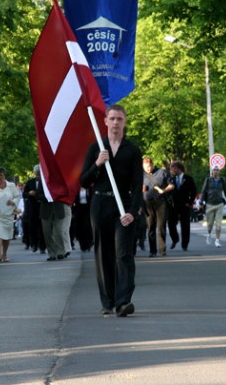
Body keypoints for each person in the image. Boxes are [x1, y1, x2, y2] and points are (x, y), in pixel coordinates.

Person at [80, 104, 143, 317]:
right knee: (104, 253)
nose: (116, 122)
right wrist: (97, 163)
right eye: (112, 118)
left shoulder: (132, 150)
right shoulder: (95, 148)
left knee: (124, 254)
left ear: (125, 122)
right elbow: (83, 181)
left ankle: (123, 301)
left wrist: (133, 211)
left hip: (123, 206)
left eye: (120, 119)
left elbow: (137, 185)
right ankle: (107, 301)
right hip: (100, 205)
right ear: (105, 121)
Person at [142, 157, 174, 258]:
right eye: (146, 167)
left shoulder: (162, 172)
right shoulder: (140, 175)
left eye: (150, 166)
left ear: (153, 164)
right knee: (150, 227)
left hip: (161, 202)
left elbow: (172, 185)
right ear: (143, 166)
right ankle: (152, 251)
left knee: (161, 226)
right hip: (147, 203)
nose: (148, 168)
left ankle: (162, 250)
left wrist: (164, 190)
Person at [200, 166, 226, 248]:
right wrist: (201, 202)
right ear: (212, 171)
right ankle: (209, 234)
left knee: (219, 224)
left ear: (219, 172)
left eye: (217, 170)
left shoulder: (222, 180)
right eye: (214, 170)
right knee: (210, 224)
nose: (216, 171)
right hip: (209, 204)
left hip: (219, 204)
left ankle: (217, 240)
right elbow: (203, 191)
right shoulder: (208, 180)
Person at [167, 161, 196, 251]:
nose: (171, 170)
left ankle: (185, 244)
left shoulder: (188, 179)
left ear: (178, 168)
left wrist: (190, 202)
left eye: (173, 168)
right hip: (174, 205)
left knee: (185, 225)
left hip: (185, 205)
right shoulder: (171, 179)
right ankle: (175, 239)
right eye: (171, 168)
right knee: (171, 223)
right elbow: (168, 191)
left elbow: (194, 191)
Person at [22, 166, 46, 254]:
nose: (38, 175)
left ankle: (43, 246)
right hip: (32, 207)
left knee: (43, 227)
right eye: (37, 173)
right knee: (32, 226)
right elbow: (24, 194)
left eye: (40, 173)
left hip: (42, 206)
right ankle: (34, 244)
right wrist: (29, 193)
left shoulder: (45, 181)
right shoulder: (30, 182)